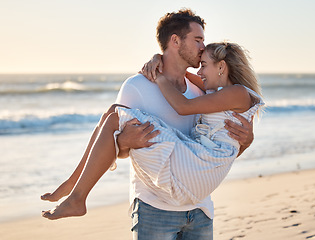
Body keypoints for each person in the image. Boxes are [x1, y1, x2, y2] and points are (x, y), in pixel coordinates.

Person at [41, 9, 255, 240]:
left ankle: (75, 190)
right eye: (197, 40)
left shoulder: (201, 90)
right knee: (113, 115)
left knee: (114, 115)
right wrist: (124, 141)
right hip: (155, 209)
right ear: (175, 40)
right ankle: (74, 188)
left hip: (199, 208)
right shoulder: (137, 86)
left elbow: (214, 150)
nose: (203, 47)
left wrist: (247, 140)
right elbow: (117, 152)